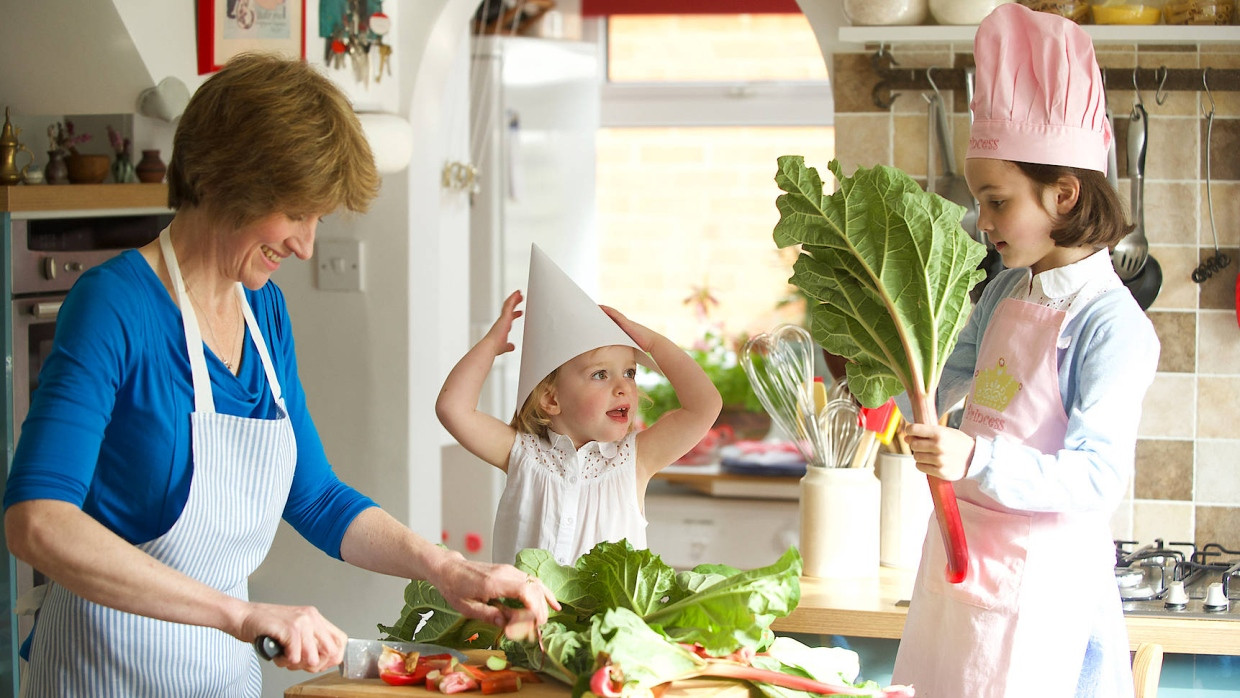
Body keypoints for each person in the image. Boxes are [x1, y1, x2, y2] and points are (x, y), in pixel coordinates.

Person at [3, 53, 557, 697]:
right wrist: (240, 614)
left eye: (316, 219)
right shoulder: (114, 304)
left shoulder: (261, 308)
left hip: (221, 680)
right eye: (295, 213)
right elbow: (36, 522)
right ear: (221, 181)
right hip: (101, 679)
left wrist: (446, 568)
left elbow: (315, 495)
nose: (306, 245)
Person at [891, 5, 1159, 697]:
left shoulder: (1112, 326)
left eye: (996, 201)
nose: (981, 222)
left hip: (1043, 589)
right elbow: (944, 380)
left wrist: (975, 457)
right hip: (961, 557)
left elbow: (1097, 478)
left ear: (1063, 193)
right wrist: (890, 403)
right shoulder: (1008, 285)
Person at [437, 245, 722, 566]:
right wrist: (490, 345)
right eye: (600, 374)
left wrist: (652, 342)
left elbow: (705, 405)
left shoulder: (634, 461)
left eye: (629, 372)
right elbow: (453, 408)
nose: (622, 386)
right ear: (551, 398)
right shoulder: (523, 455)